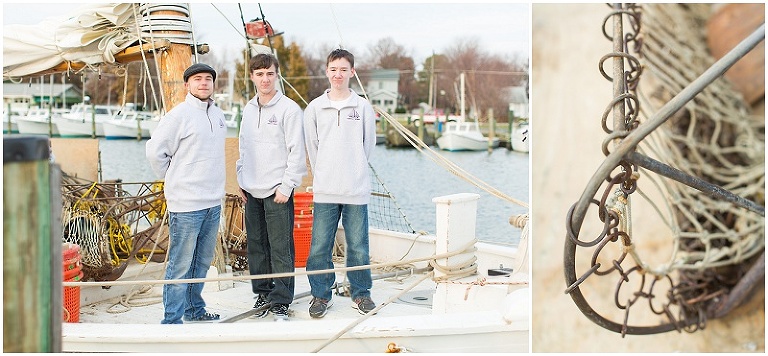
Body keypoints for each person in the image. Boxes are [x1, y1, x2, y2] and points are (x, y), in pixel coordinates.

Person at [146, 63, 227, 324]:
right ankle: (172, 319)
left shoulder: (218, 115)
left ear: (213, 84)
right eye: (197, 79)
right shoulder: (178, 116)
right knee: (180, 265)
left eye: (208, 79)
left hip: (213, 202)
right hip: (186, 204)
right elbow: (155, 151)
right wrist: (173, 176)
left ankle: (194, 310)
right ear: (187, 85)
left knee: (201, 264)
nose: (203, 83)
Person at [303, 48, 377, 318]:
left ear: (352, 72)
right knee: (319, 246)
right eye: (333, 69)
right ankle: (321, 295)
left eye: (343, 70)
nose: (338, 74)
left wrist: (354, 168)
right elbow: (312, 147)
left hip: (355, 189)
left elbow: (368, 146)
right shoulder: (314, 108)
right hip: (325, 189)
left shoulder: (362, 107)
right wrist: (325, 170)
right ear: (327, 72)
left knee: (358, 246)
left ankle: (361, 293)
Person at [236, 53, 307, 321]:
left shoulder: (288, 109)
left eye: (269, 73)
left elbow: (296, 153)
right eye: (259, 74)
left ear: (276, 75)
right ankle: (263, 293)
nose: (264, 79)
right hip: (251, 189)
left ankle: (281, 300)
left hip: (277, 190)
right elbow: (243, 146)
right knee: (256, 246)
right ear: (252, 77)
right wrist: (240, 178)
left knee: (280, 248)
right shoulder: (248, 108)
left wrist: (286, 186)